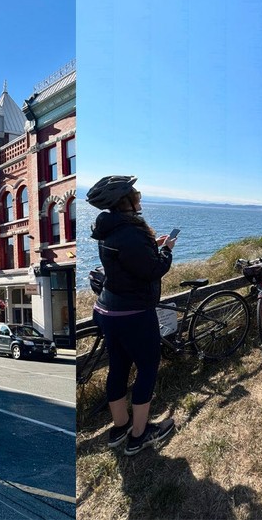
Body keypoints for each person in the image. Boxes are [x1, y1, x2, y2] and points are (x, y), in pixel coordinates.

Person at [87, 175, 177, 456]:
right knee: (148, 367)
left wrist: (152, 245)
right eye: (135, 194)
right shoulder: (131, 232)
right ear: (124, 201)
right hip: (133, 313)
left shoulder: (108, 228)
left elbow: (128, 260)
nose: (139, 197)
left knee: (118, 367)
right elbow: (153, 270)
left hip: (107, 310)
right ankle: (139, 435)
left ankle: (120, 427)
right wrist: (166, 251)